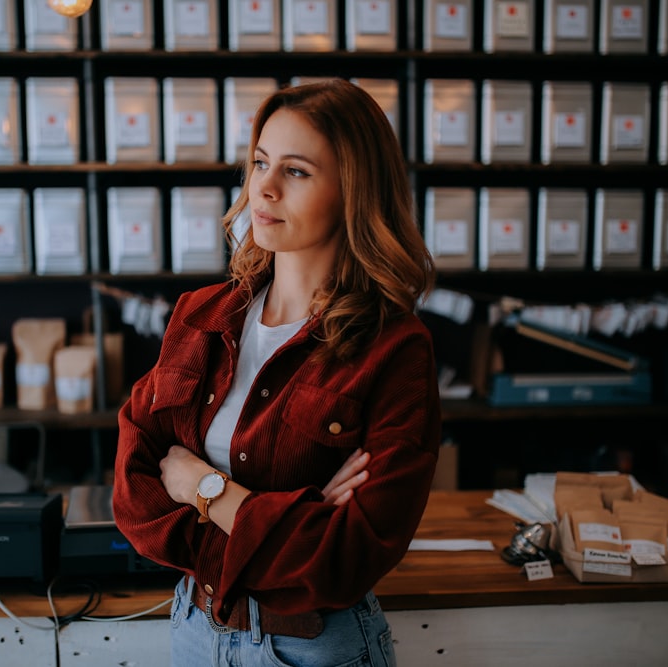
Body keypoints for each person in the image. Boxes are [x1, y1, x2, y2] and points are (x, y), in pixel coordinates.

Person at [112, 78, 441, 667]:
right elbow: (134, 497)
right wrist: (298, 514)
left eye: (295, 171)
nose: (262, 187)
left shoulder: (394, 350)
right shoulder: (200, 316)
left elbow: (348, 556)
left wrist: (202, 489)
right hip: (195, 629)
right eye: (260, 161)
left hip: (314, 647)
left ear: (353, 192)